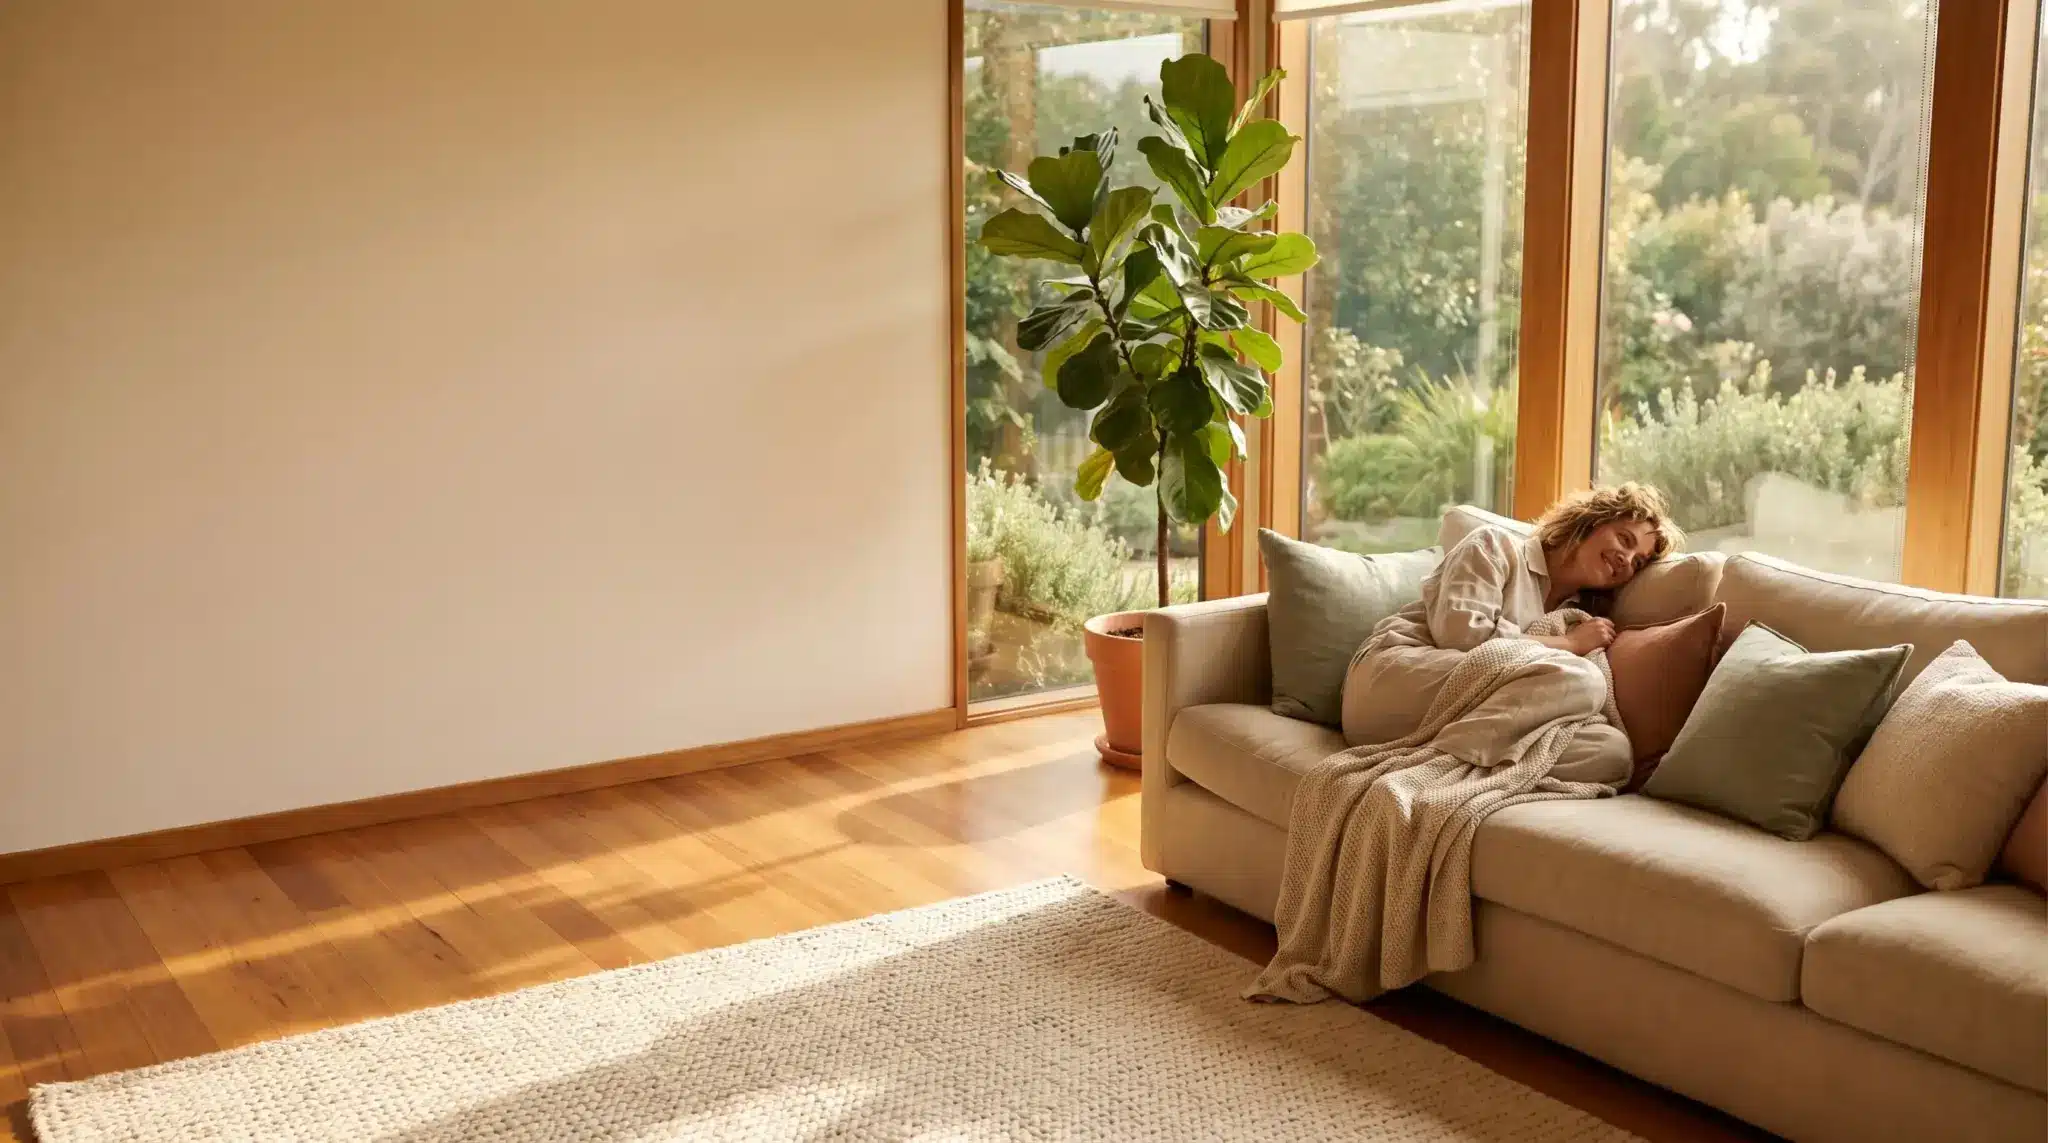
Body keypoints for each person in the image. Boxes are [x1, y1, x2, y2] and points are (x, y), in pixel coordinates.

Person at [1339, 483, 1684, 781]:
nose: (1626, 559)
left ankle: (1452, 763)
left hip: (1459, 717)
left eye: (1637, 562)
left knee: (1612, 753)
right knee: (1584, 680)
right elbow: (1461, 636)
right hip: (1393, 682)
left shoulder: (1578, 616)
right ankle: (1472, 759)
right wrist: (1567, 645)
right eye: (1624, 539)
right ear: (1592, 521)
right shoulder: (1495, 546)